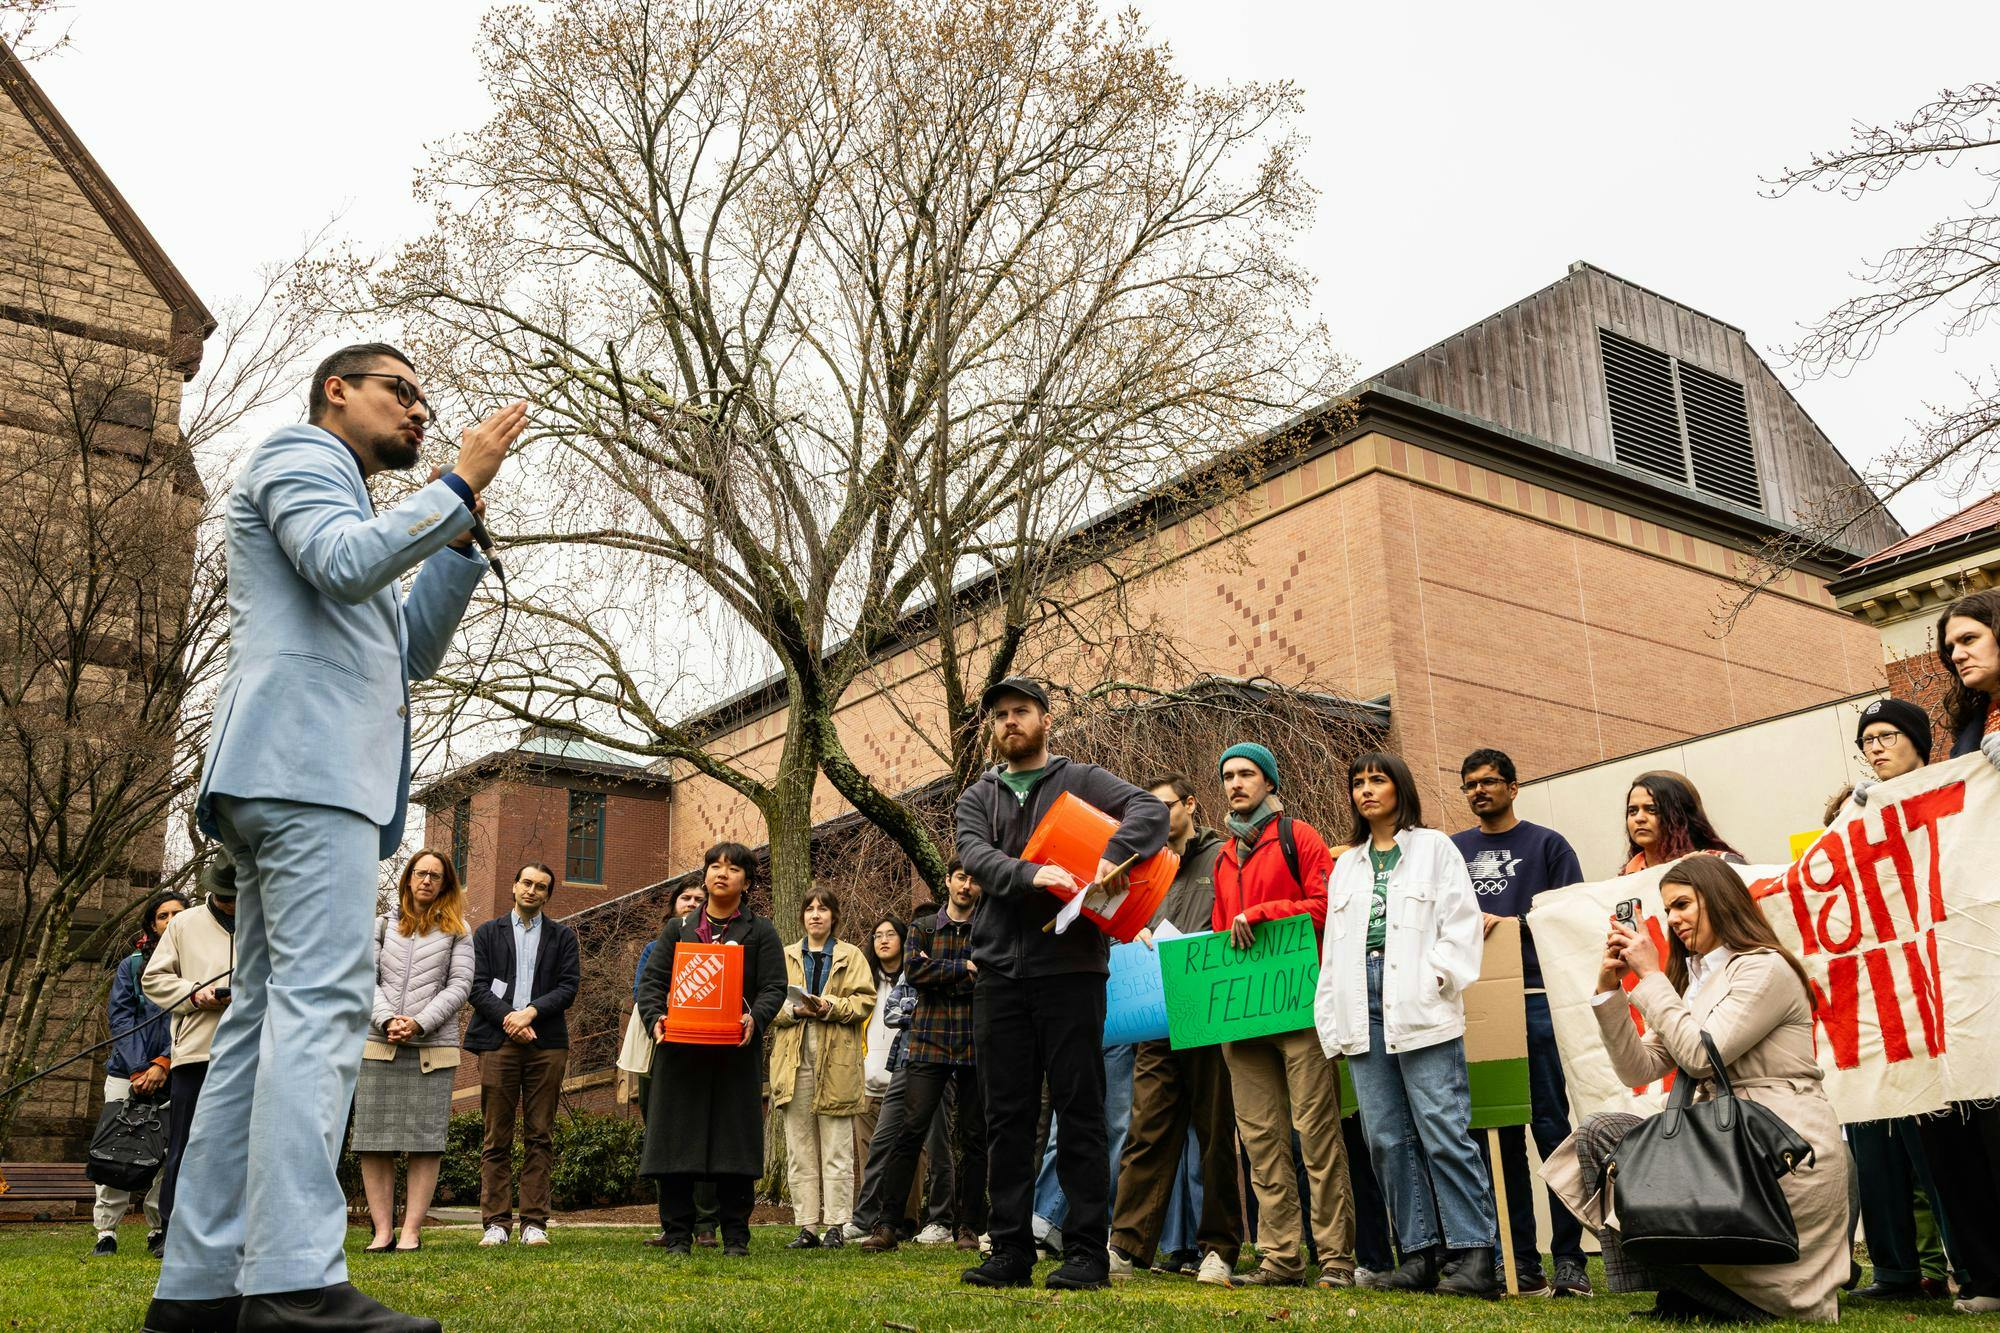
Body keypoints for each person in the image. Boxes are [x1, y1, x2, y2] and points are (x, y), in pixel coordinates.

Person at [147, 342, 517, 1333]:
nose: (418, 409)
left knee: (261, 1028)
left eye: (425, 399)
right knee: (321, 1008)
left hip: (296, 777)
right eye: (401, 390)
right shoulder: (301, 455)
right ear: (335, 391)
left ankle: (200, 1287)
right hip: (305, 770)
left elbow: (408, 652)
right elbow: (346, 566)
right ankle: (293, 1279)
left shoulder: (349, 502)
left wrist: (455, 542)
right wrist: (454, 484)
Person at [1549, 854, 1849, 1322]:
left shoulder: (1763, 968)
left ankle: (1730, 1297)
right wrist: (1609, 990)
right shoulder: (1695, 980)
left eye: (1683, 904)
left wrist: (1652, 977)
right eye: (1668, 908)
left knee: (1627, 1144)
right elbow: (1639, 1068)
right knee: (1599, 1134)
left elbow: (1701, 1055)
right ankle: (1682, 1290)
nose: (1672, 919)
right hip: (1722, 1137)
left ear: (1720, 900)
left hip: (1775, 1141)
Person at [952, 675, 1169, 1290]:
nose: (1009, 722)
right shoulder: (978, 796)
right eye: (1000, 714)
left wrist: (1114, 853)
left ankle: (1086, 1254)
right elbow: (974, 855)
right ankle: (1009, 1251)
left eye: (1021, 711)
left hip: (1072, 971)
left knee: (1081, 1111)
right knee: (1007, 1117)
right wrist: (1030, 874)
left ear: (1045, 719)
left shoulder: (1082, 780)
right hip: (999, 975)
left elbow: (1150, 810)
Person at [1315, 750, 1497, 1299]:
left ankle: (1474, 1257)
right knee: (1386, 1138)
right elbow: (1333, 951)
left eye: (1378, 780)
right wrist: (1331, 1018)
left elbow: (1461, 923)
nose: (1366, 790)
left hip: (1418, 1000)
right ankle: (1418, 1256)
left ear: (1400, 789)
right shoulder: (1347, 865)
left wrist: (1435, 979)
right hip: (1361, 1003)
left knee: (1442, 1128)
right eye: (1358, 782)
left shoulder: (1435, 848)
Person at [1209, 743, 1355, 1290]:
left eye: (1247, 774)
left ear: (1269, 782)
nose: (1236, 783)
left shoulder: (1300, 837)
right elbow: (1222, 935)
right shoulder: (1224, 856)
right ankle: (1281, 1258)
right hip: (1243, 1021)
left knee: (1317, 1137)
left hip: (1299, 1012)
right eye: (1228, 775)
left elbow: (1328, 906)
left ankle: (1336, 1259)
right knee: (1261, 1142)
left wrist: (1264, 914)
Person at [1450, 748, 1592, 1298]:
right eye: (1470, 784)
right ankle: (1519, 1262)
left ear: (1513, 787)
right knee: (1497, 1135)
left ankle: (1570, 1260)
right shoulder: (1453, 851)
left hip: (1535, 998)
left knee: (1553, 1132)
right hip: (1475, 1003)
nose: (1479, 791)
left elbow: (1572, 916)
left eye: (1489, 782)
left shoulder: (1548, 846)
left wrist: (1510, 924)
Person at [1836, 700, 1961, 1301]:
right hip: (1879, 995)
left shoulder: (1955, 790)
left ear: (1918, 741)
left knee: (1939, 1143)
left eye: (1887, 736)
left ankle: (1965, 1263)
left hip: (1940, 989)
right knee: (1875, 1136)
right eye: (1868, 741)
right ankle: (1896, 1270)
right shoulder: (1860, 811)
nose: (1877, 749)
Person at [1106, 774, 1245, 1287]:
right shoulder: (1143, 866)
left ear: (1190, 804)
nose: (1157, 817)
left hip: (1208, 1012)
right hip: (1155, 1014)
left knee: (1214, 1135)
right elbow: (1121, 923)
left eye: (1165, 806)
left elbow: (1236, 922)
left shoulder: (1223, 856)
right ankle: (1126, 1245)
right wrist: (1135, 930)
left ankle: (1219, 1249)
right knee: (1146, 1130)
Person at [636, 842, 788, 1255]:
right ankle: (677, 1235)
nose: (722, 873)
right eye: (715, 866)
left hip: (733, 1056)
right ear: (705, 876)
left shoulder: (761, 931)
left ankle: (736, 1236)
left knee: (732, 1148)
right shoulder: (679, 929)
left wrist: (755, 1017)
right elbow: (652, 984)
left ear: (747, 882)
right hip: (680, 1055)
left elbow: (774, 986)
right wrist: (656, 1018)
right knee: (675, 1147)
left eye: (733, 868)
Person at [1917, 590, 2000, 1315]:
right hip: (1974, 945)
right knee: (1969, 1111)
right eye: (1950, 647)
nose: (1957, 654)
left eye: (1969, 638)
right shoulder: (1967, 733)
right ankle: (1989, 1269)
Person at [862, 864, 987, 1253]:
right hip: (929, 1040)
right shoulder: (924, 928)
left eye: (973, 880)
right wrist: (963, 968)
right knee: (910, 1130)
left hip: (973, 1041)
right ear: (948, 881)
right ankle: (888, 1224)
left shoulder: (986, 929)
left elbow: (988, 975)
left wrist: (941, 975)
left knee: (974, 1136)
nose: (966, 886)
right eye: (960, 878)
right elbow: (914, 972)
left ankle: (968, 1226)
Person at [354, 851, 474, 1255]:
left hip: (431, 1050)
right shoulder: (381, 926)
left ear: (445, 884)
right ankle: (383, 1231)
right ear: (408, 878)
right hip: (380, 1043)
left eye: (435, 876)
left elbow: (460, 986)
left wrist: (419, 1023)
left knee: (425, 1142)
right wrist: (388, 1019)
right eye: (421, 873)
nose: (427, 880)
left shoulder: (459, 931)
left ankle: (410, 1231)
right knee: (373, 1140)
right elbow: (364, 979)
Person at [466, 863, 580, 1249]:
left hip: (546, 1044)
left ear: (548, 895)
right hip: (498, 1042)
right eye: (527, 883)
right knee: (495, 1136)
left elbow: (568, 987)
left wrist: (530, 1013)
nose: (532, 890)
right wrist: (509, 1019)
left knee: (540, 1135)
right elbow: (476, 986)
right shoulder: (487, 933)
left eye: (541, 887)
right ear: (514, 886)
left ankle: (534, 1223)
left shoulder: (563, 937)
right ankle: (496, 1224)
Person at [141, 854, 237, 1259]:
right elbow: (154, 979)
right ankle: (171, 1230)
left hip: (252, 1051)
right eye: (226, 895)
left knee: (241, 1148)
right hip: (197, 1051)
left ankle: (232, 1232)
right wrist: (195, 994)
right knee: (185, 1144)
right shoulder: (184, 924)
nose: (232, 902)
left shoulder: (268, 921)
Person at [771, 888, 877, 1249]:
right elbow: (768, 1004)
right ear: (802, 916)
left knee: (837, 1147)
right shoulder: (785, 955)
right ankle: (806, 1226)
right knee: (799, 1147)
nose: (816, 914)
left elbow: (865, 1001)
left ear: (834, 917)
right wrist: (794, 1011)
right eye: (810, 909)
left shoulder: (852, 955)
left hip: (837, 1056)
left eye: (823, 909)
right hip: (794, 1055)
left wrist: (829, 1006)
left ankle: (836, 1225)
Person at [92, 888, 186, 1258]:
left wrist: (164, 1062)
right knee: (115, 1148)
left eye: (178, 913)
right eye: (164, 915)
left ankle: (158, 1228)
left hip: (178, 1072)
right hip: (126, 1072)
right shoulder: (131, 966)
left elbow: (196, 1021)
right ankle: (106, 1232)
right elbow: (121, 1019)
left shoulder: (198, 965)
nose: (171, 920)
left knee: (169, 1152)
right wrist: (137, 1070)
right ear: (152, 923)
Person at [631, 883, 721, 1248]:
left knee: (705, 1133)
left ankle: (706, 1223)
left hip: (705, 1052)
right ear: (673, 906)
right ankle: (672, 1223)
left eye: (699, 899)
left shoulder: (718, 948)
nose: (692, 903)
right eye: (686, 898)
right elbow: (642, 992)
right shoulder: (655, 949)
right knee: (663, 1135)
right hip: (662, 1049)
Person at [1620, 771, 1742, 875]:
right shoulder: (1623, 879)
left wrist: (1706, 874)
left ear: (1680, 815)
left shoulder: (1722, 863)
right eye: (1632, 811)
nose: (1639, 818)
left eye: (1652, 810)